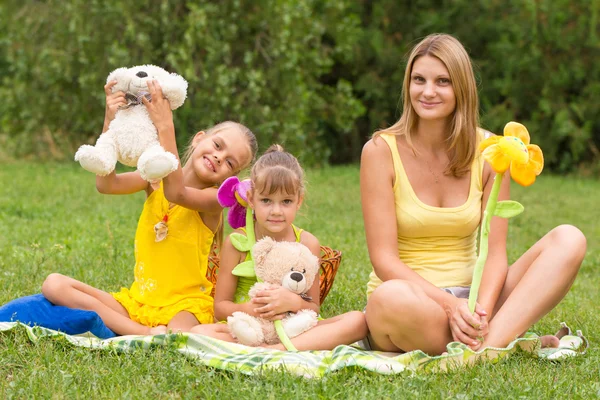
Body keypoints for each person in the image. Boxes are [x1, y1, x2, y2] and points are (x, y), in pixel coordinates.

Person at [360, 33, 586, 355]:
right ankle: (495, 342)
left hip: (476, 299)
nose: (427, 91)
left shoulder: (493, 152)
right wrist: (450, 306)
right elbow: (384, 260)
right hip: (415, 303)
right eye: (418, 80)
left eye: (442, 81)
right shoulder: (380, 150)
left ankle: (483, 346)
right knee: (389, 297)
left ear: (461, 88)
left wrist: (479, 310)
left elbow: (495, 253)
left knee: (569, 239)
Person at [42, 79, 258, 335]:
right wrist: (110, 121)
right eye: (218, 145)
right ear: (200, 138)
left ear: (230, 176)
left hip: (184, 307)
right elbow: (106, 184)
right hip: (140, 301)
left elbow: (177, 193)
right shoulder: (153, 178)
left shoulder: (213, 200)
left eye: (230, 162)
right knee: (54, 285)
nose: (219, 157)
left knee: (180, 334)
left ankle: (142, 332)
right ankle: (144, 332)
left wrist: (165, 124)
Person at [191, 145, 367, 350]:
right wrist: (250, 309)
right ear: (251, 199)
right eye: (266, 200)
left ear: (298, 201)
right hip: (248, 328)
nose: (276, 211)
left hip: (294, 328)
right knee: (199, 333)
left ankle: (276, 350)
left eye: (286, 201)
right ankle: (281, 348)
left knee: (358, 321)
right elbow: (220, 307)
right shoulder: (237, 243)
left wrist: (294, 303)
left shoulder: (307, 243)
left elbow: (313, 308)